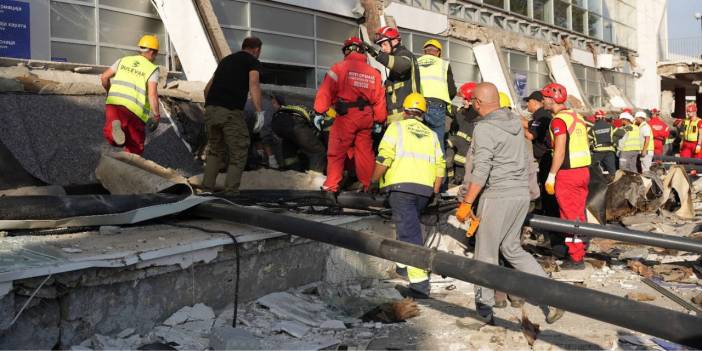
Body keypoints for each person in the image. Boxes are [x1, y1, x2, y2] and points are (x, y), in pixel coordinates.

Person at [454, 82, 564, 326]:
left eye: (472, 101)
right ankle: (553, 297)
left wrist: (467, 202)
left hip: (498, 196)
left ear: (478, 103)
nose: (471, 105)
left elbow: (480, 170)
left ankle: (483, 311)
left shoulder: (484, 129)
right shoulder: (515, 122)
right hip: (520, 195)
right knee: (512, 248)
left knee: (485, 254)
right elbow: (526, 159)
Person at [370, 93, 445, 297]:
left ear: (404, 111)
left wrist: (373, 181)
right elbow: (440, 165)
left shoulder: (396, 128)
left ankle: (419, 284)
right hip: (423, 191)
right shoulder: (431, 135)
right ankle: (403, 267)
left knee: (410, 235)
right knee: (408, 228)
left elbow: (385, 157)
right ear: (423, 114)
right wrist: (435, 191)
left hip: (401, 188)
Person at [314, 37, 386, 192]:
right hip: (367, 117)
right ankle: (368, 186)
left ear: (347, 50)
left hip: (347, 116)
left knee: (336, 152)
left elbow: (326, 90)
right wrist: (379, 120)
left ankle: (331, 186)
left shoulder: (339, 68)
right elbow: (380, 99)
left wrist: (320, 110)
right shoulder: (374, 73)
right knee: (365, 153)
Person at [201, 37, 264, 195]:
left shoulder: (225, 60)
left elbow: (207, 89)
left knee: (215, 151)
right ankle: (231, 193)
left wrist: (212, 106)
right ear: (256, 50)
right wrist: (259, 111)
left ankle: (206, 190)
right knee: (239, 150)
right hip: (230, 112)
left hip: (211, 109)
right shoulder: (252, 61)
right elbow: (254, 84)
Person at [542, 83, 591, 270]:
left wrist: (551, 175)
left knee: (569, 215)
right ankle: (580, 246)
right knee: (578, 213)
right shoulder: (576, 117)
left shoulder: (558, 121)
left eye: (546, 97)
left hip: (568, 173)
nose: (543, 100)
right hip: (583, 171)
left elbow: (560, 151)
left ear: (552, 99)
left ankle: (576, 257)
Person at [100, 34, 161, 155]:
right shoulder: (152, 68)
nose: (155, 57)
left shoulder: (123, 60)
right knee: (135, 146)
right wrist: (156, 116)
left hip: (114, 103)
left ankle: (115, 127)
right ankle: (130, 166)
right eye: (156, 54)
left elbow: (104, 77)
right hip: (135, 110)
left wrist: (109, 92)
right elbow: (152, 94)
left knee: (113, 137)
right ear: (152, 52)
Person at [363, 26, 421, 124]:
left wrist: (377, 54)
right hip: (398, 116)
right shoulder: (395, 57)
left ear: (394, 42)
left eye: (385, 44)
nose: (383, 48)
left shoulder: (404, 54)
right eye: (381, 45)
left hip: (405, 116)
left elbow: (403, 65)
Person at [416, 39, 457, 151]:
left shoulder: (415, 62)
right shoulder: (444, 64)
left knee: (419, 143)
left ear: (425, 51)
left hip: (418, 105)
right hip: (437, 106)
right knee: (437, 145)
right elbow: (452, 91)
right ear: (439, 52)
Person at [270, 96, 326, 172]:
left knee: (291, 148)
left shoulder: (287, 109)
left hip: (278, 124)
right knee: (318, 151)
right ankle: (315, 177)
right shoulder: (317, 114)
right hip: (296, 125)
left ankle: (293, 172)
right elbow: (320, 127)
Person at [447, 82, 479, 186]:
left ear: (472, 100)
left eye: (465, 99)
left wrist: (453, 141)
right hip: (454, 163)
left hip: (467, 166)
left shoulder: (478, 119)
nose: (462, 101)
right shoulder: (461, 113)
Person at [588, 110, 616, 175]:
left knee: (594, 169)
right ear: (603, 117)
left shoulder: (593, 128)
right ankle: (613, 182)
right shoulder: (610, 126)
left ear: (595, 118)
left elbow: (588, 140)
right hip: (609, 151)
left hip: (598, 152)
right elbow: (617, 135)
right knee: (612, 171)